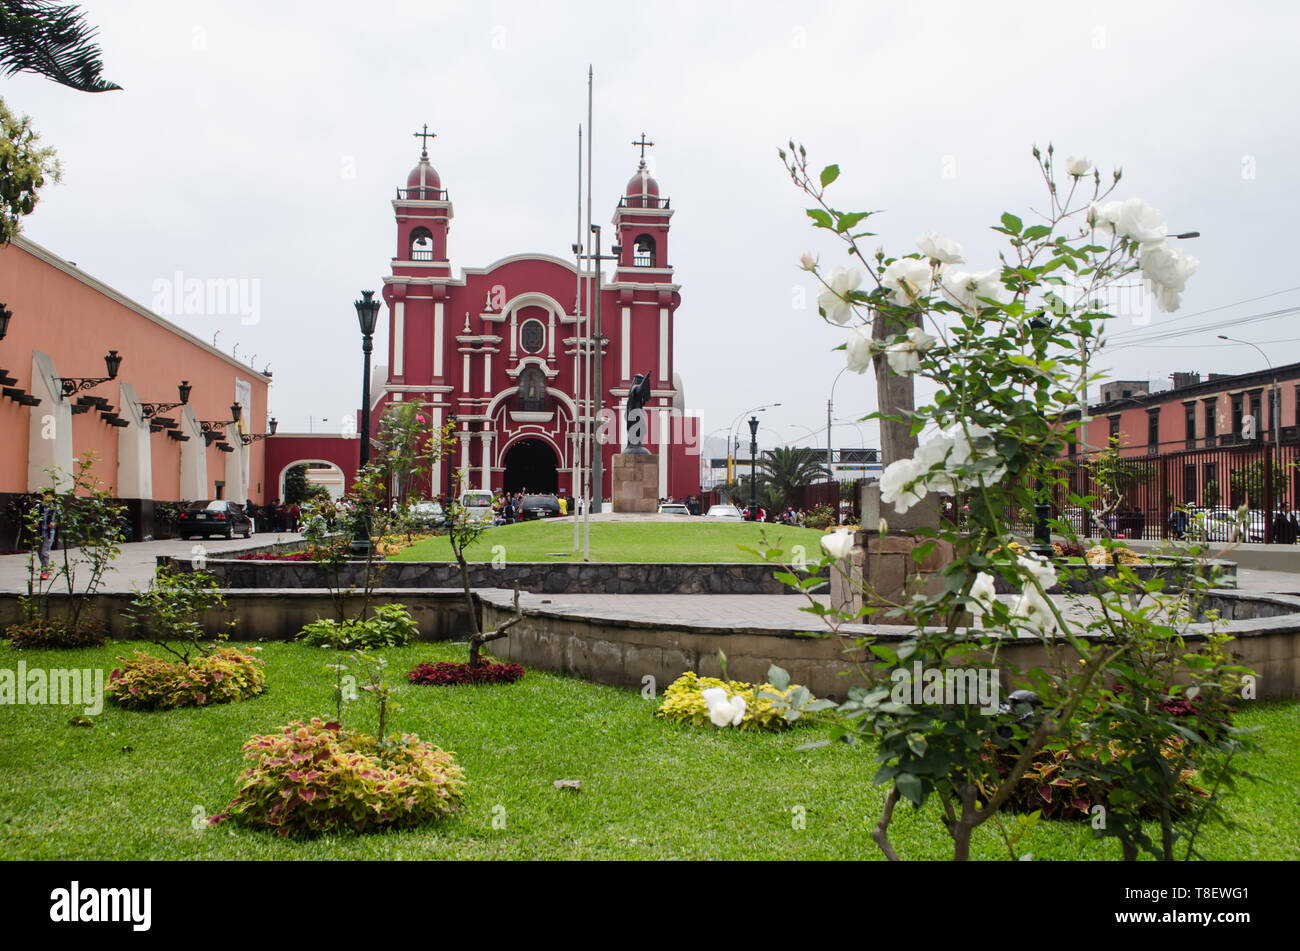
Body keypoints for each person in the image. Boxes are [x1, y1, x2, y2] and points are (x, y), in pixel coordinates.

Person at [33, 494, 58, 581]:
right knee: (39, 551)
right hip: (39, 532)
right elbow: (32, 515)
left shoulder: (55, 508)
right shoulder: (38, 506)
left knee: (45, 552)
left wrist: (54, 523)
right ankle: (45, 567)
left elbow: (60, 518)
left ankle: (44, 571)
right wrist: (34, 521)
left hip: (49, 533)